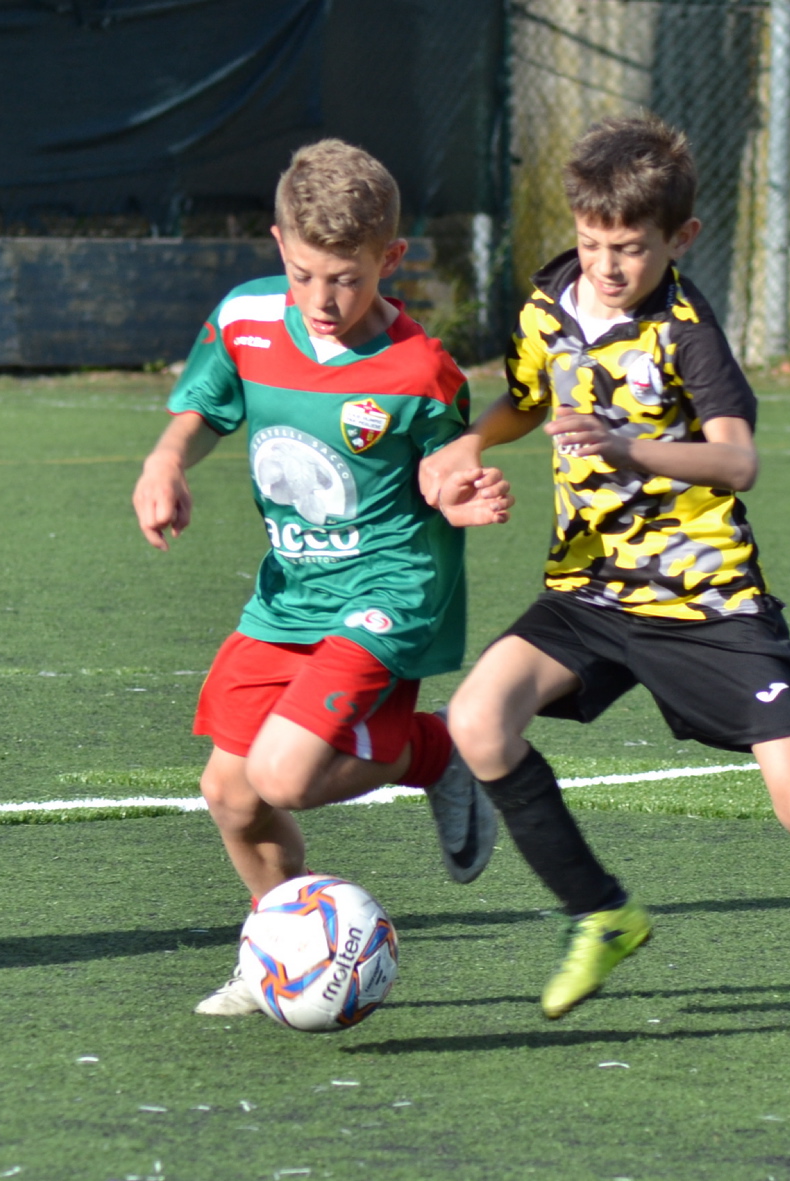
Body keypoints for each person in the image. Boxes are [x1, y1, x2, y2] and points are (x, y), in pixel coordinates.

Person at [420, 115, 790, 1045]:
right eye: (592, 242)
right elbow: (524, 400)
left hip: (706, 601)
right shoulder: (547, 303)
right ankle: (600, 913)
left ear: (680, 240)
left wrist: (628, 447)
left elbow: (738, 460)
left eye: (629, 249)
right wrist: (467, 445)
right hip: (589, 588)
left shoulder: (684, 329)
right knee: (476, 720)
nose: (605, 264)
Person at [132, 139, 512, 1016]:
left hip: (387, 591)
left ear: (391, 259)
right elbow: (203, 403)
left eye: (344, 277)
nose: (321, 300)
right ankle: (274, 952)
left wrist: (461, 494)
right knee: (229, 792)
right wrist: (166, 461)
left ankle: (438, 748)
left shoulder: (420, 372)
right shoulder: (245, 318)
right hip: (290, 594)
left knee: (285, 777)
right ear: (277, 245)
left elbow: (443, 471)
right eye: (303, 274)